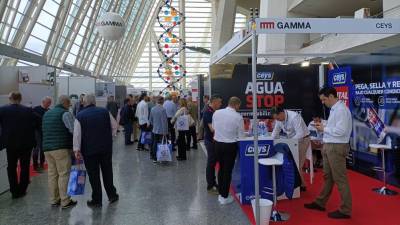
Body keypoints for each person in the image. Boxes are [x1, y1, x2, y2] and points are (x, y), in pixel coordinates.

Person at [304, 87, 352, 219]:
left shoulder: (341, 110)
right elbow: (336, 129)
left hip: (336, 147)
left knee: (340, 178)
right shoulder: (335, 109)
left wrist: (324, 128)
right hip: (330, 145)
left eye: (324, 99)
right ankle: (320, 202)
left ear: (331, 96)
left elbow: (341, 131)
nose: (323, 102)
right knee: (328, 177)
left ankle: (345, 210)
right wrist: (323, 129)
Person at [73, 94, 119, 208]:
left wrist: (76, 150)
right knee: (107, 171)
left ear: (85, 102)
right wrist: (110, 136)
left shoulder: (80, 115)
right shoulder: (104, 111)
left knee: (93, 175)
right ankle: (112, 195)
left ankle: (97, 200)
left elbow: (77, 135)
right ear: (95, 102)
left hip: (89, 150)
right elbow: (115, 126)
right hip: (106, 148)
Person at [0, 92, 38, 199]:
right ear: (20, 99)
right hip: (26, 144)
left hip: (10, 143)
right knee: (24, 167)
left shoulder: (2, 110)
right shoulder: (29, 110)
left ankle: (14, 191)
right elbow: (38, 122)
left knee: (11, 167)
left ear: (9, 98)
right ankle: (22, 189)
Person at [42, 95, 77, 209]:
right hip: (61, 148)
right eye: (69, 104)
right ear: (65, 103)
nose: (70, 106)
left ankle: (54, 199)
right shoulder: (65, 113)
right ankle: (65, 201)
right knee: (64, 173)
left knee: (52, 174)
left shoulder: (47, 113)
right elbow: (73, 131)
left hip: (47, 149)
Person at [270, 106, 310, 192]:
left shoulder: (294, 117)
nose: (278, 120)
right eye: (276, 119)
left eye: (278, 118)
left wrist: (289, 142)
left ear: (281, 113)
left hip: (303, 140)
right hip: (291, 142)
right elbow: (275, 132)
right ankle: (298, 185)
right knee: (292, 164)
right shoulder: (278, 119)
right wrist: (270, 141)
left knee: (297, 164)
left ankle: (300, 186)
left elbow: (300, 134)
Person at [212, 97, 244, 204]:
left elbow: (214, 128)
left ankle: (222, 193)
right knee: (227, 171)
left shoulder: (217, 113)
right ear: (237, 105)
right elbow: (241, 136)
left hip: (217, 144)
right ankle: (224, 197)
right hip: (230, 146)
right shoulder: (238, 117)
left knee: (221, 169)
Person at [203, 95, 222, 194]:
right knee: (211, 164)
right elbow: (212, 129)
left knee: (214, 163)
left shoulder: (214, 112)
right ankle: (210, 186)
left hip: (214, 141)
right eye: (219, 102)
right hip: (210, 141)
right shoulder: (208, 113)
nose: (221, 104)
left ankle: (214, 183)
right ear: (214, 102)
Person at [32, 96, 52, 172]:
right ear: (43, 102)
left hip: (45, 132)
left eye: (50, 103)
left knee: (44, 149)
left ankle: (42, 164)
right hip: (37, 131)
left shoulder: (49, 111)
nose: (49, 104)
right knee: (36, 149)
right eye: (48, 102)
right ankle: (35, 166)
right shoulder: (35, 109)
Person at [149, 96, 169, 163]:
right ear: (162, 101)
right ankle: (161, 158)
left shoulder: (152, 109)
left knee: (154, 143)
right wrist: (165, 131)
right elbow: (164, 122)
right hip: (161, 130)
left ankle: (154, 158)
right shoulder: (163, 109)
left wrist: (154, 125)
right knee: (161, 144)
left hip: (154, 130)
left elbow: (150, 120)